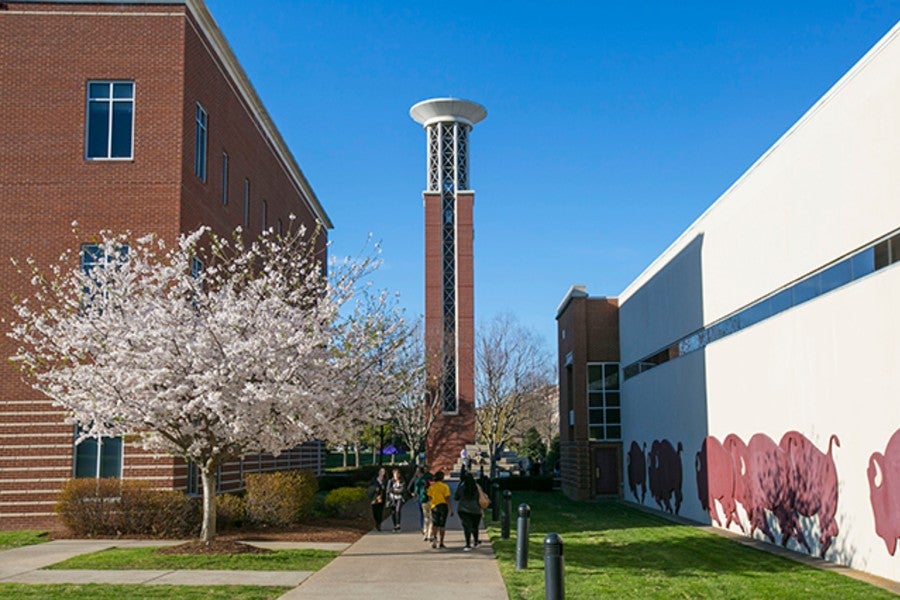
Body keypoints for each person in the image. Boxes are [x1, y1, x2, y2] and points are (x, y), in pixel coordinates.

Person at [454, 471, 483, 551]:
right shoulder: (476, 487)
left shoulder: (462, 486)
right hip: (476, 509)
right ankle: (476, 541)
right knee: (475, 526)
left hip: (463, 509)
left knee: (467, 527)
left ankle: (467, 544)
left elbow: (456, 497)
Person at [427, 470, 452, 549]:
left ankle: (434, 539)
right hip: (443, 506)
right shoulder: (445, 486)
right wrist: (450, 508)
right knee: (442, 525)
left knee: (435, 524)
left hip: (434, 506)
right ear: (442, 478)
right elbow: (447, 498)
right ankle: (441, 542)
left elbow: (429, 497)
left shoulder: (432, 487)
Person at [409, 466, 434, 541]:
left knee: (425, 517)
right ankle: (430, 534)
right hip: (431, 499)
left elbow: (415, 491)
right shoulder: (431, 477)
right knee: (431, 518)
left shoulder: (419, 480)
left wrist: (415, 494)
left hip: (423, 500)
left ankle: (425, 533)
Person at [386, 468, 406, 532]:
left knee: (398, 510)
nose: (396, 476)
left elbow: (402, 490)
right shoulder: (390, 481)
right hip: (392, 499)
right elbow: (388, 490)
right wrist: (395, 491)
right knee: (393, 512)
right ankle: (394, 525)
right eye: (395, 474)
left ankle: (398, 525)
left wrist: (395, 491)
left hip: (399, 498)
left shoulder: (402, 481)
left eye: (397, 474)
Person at [368, 467, 387, 531]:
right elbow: (370, 488)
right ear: (379, 472)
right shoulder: (374, 480)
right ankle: (376, 522)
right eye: (381, 471)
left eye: (384, 471)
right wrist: (375, 489)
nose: (382, 473)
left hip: (382, 498)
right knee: (375, 512)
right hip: (374, 498)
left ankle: (379, 524)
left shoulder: (385, 480)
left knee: (380, 512)